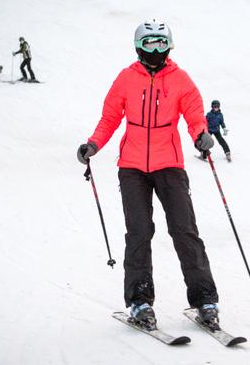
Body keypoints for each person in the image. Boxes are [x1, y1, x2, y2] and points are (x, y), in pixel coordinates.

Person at [76, 19, 221, 331]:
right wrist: (93, 144)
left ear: (169, 45)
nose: (155, 49)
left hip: (170, 164)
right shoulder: (126, 79)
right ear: (138, 46)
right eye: (148, 43)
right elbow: (110, 117)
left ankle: (205, 300)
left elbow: (194, 113)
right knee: (139, 234)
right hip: (132, 169)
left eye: (160, 42)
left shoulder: (180, 79)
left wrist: (201, 135)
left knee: (185, 232)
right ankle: (140, 302)